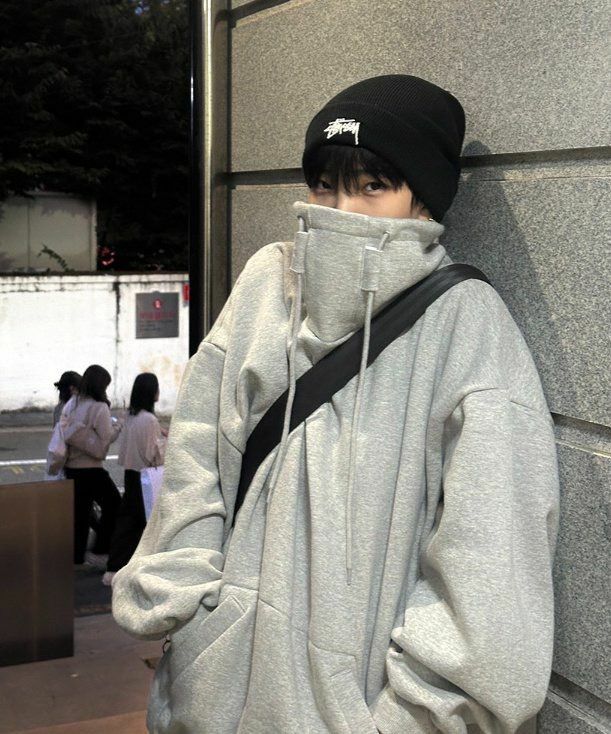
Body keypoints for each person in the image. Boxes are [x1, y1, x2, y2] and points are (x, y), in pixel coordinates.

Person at [112, 75, 560, 734]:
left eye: (373, 185)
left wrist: (405, 722)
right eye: (326, 184)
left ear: (423, 201)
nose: (341, 208)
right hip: (209, 702)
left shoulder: (468, 328)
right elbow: (198, 454)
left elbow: (490, 563)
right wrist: (194, 609)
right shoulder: (269, 283)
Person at [103, 373, 167, 586]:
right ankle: (141, 567)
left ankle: (115, 566)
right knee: (147, 522)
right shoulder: (150, 419)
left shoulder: (132, 416)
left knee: (128, 522)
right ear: (151, 392)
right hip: (146, 476)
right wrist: (166, 441)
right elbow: (154, 453)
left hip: (131, 473)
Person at [63, 364, 123, 567]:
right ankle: (101, 548)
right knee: (114, 505)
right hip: (91, 469)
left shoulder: (73, 403)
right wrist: (118, 426)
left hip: (71, 467)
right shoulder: (99, 407)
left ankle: (77, 556)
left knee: (80, 513)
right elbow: (106, 438)